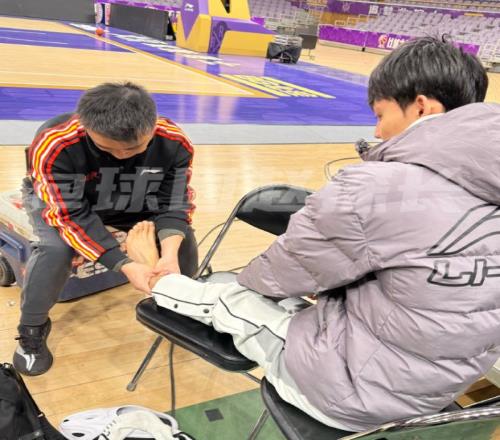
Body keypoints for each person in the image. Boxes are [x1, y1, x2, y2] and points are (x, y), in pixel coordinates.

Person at [126, 37, 500, 432]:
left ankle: (155, 278)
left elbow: (273, 277)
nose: (377, 130)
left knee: (231, 294)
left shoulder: (378, 187)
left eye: (380, 114)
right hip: (433, 395)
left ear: (422, 107)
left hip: (351, 396)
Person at [14, 82, 198, 376]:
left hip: (132, 195)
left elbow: (173, 203)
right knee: (55, 249)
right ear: (85, 127)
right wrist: (123, 264)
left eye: (135, 148)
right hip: (66, 202)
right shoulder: (55, 144)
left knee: (181, 240)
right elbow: (70, 215)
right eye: (106, 148)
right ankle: (31, 327)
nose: (122, 155)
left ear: (152, 127)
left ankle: (183, 306)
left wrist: (169, 255)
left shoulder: (174, 141)